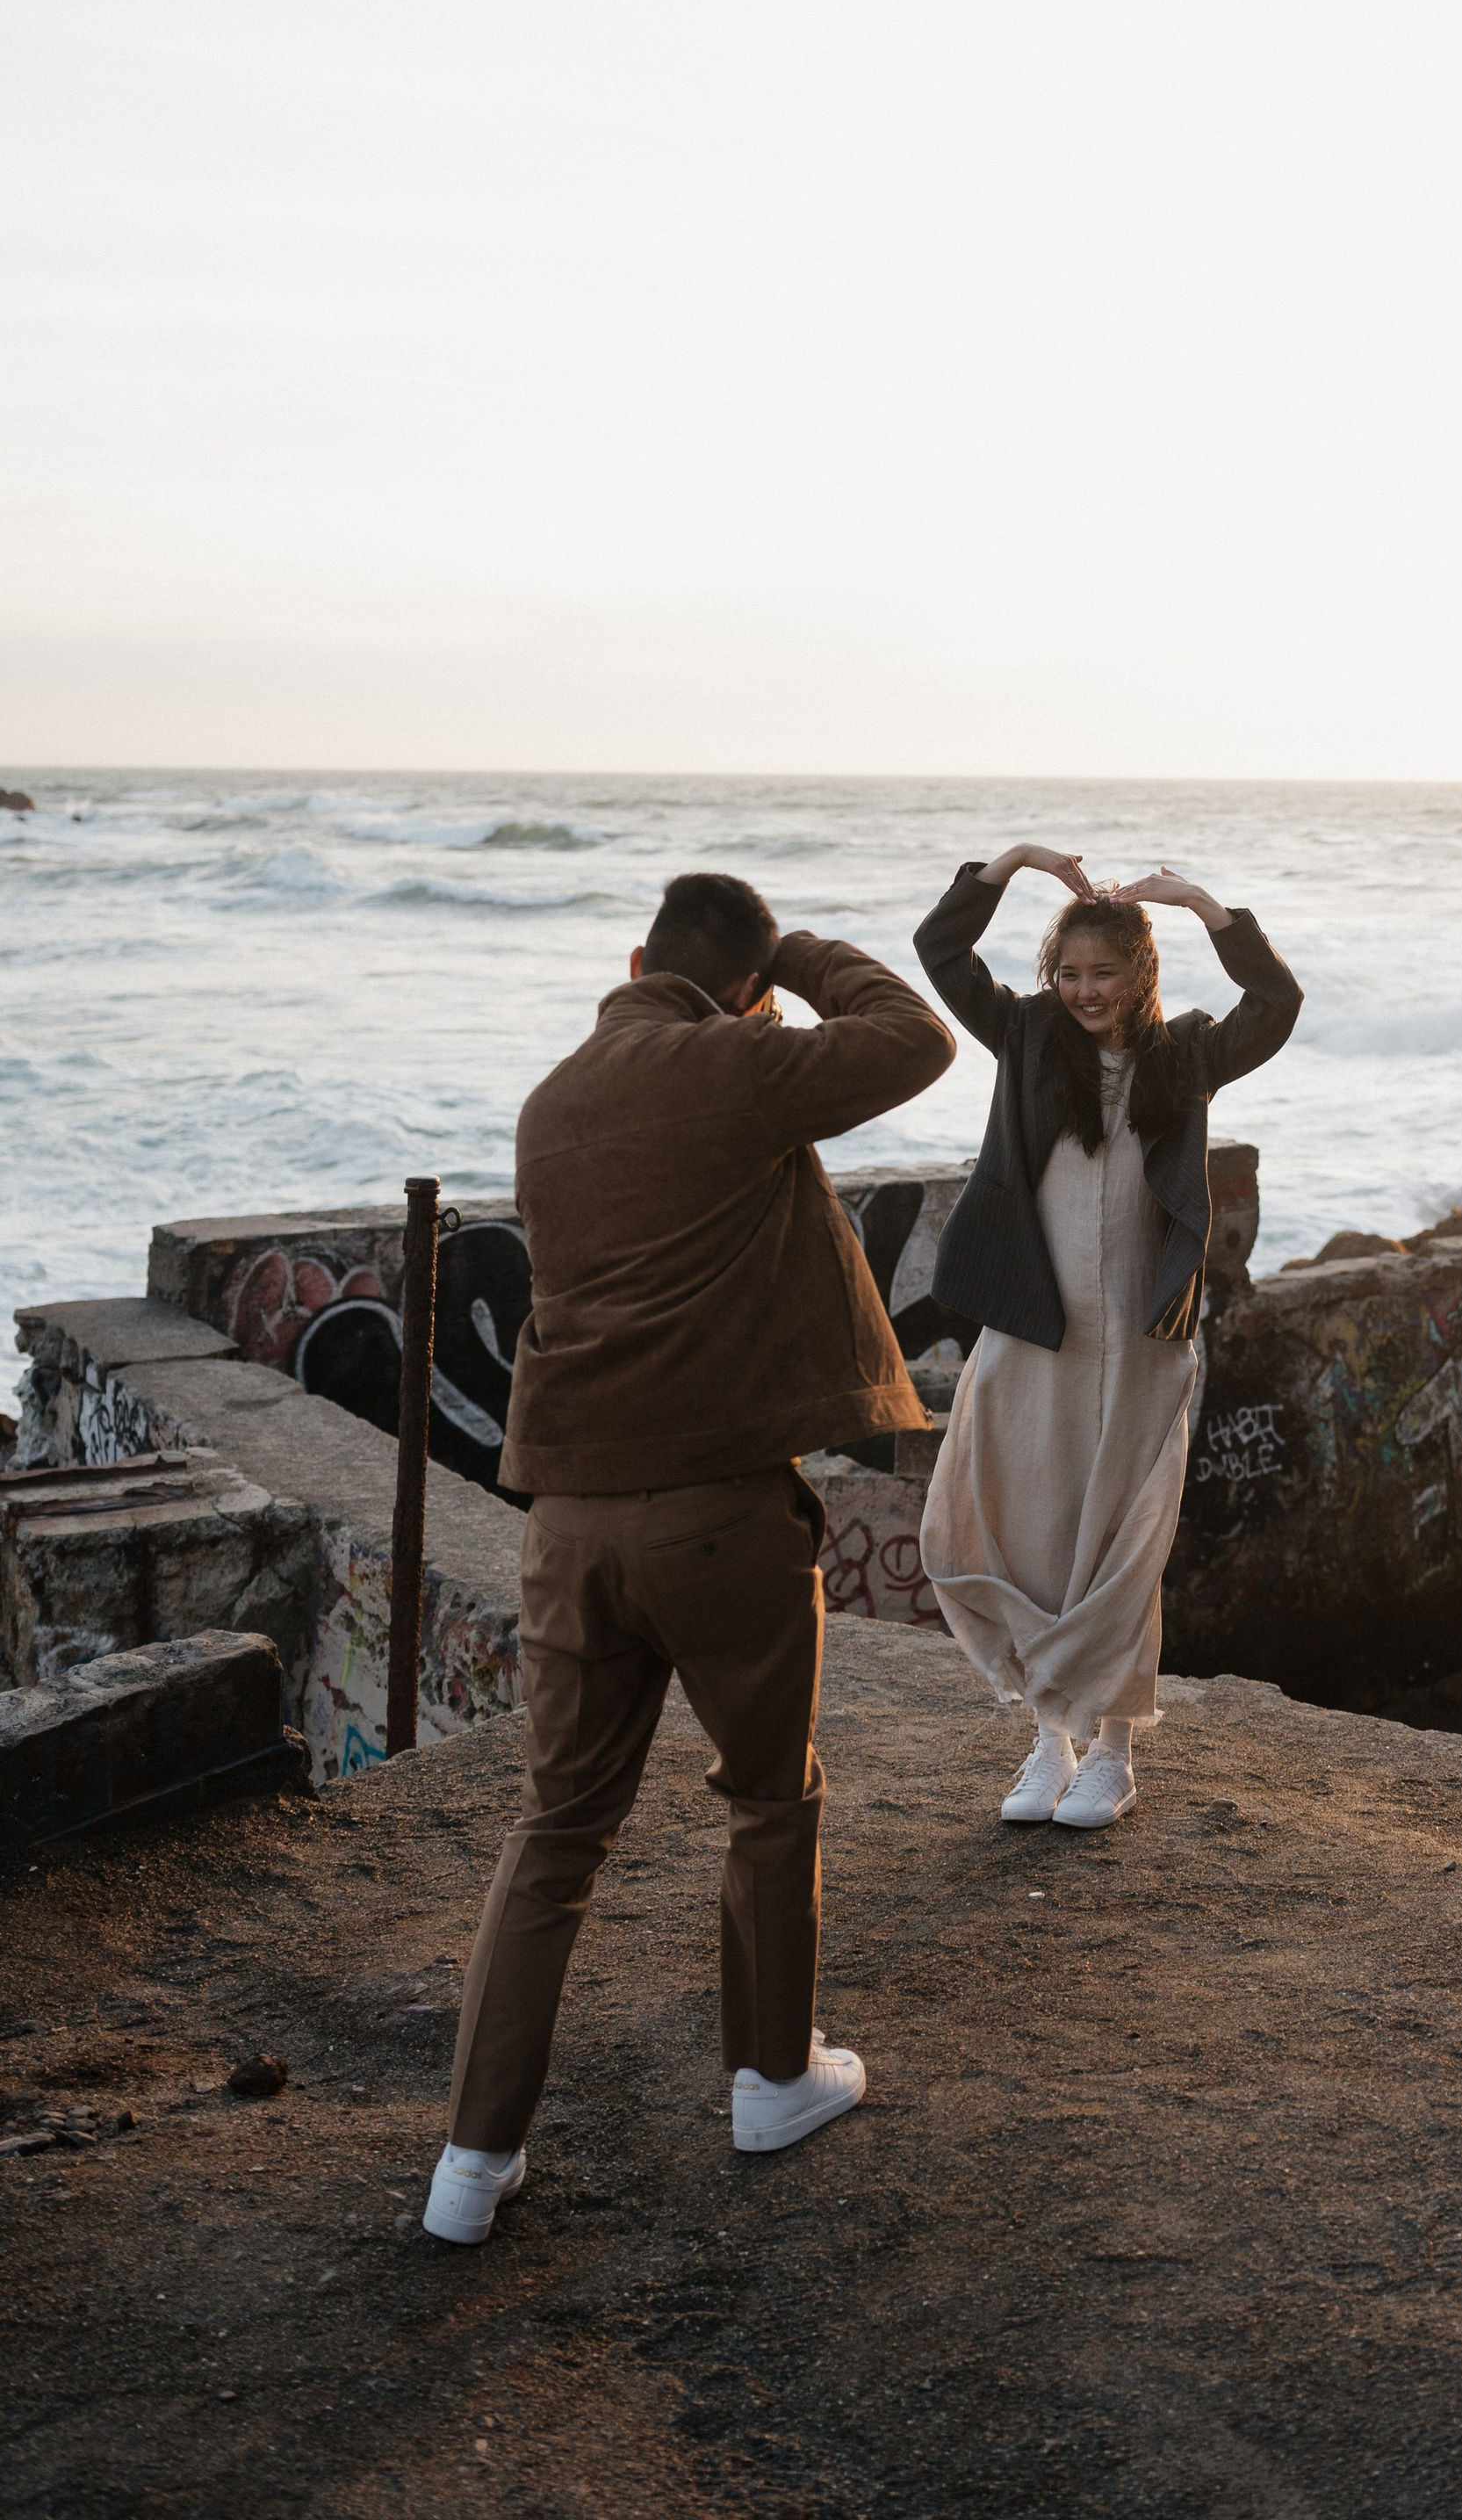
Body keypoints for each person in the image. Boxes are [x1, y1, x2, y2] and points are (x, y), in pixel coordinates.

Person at [422, 869, 954, 2247]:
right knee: (771, 1802)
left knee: (553, 1835)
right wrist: (805, 959)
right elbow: (918, 1037)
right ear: (746, 988)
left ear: (636, 955)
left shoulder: (553, 1097)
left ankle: (470, 2169)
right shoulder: (741, 1064)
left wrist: (748, 980)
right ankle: (775, 2080)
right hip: (717, 1518)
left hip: (568, 1521)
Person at [911, 845, 1302, 1829]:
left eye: (1105, 973)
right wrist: (1012, 866)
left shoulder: (1188, 1057)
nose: (1086, 991)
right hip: (1035, 1331)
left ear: (1141, 975)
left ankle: (1113, 1757)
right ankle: (1049, 1741)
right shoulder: (1029, 1039)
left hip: (1141, 1336)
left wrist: (1202, 904)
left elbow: (1278, 1001)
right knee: (1020, 1525)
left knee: (1123, 1542)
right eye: (1070, 973)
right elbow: (940, 949)